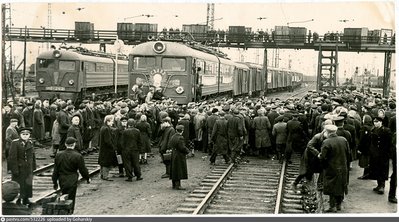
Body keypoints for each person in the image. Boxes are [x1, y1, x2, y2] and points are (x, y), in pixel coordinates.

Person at [52, 137, 90, 214]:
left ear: (66, 144)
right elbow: (83, 170)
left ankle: (63, 212)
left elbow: (55, 170)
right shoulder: (78, 156)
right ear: (74, 145)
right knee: (71, 198)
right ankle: (69, 213)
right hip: (72, 178)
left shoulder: (59, 155)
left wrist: (55, 182)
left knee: (64, 195)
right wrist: (87, 178)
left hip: (62, 178)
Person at [318, 124, 350, 213]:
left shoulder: (327, 142)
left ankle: (332, 206)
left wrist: (321, 161)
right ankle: (339, 205)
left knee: (331, 187)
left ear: (327, 132)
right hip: (343, 167)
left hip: (331, 168)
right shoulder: (343, 140)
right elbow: (348, 153)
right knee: (341, 185)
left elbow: (323, 157)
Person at [8, 127, 36, 206]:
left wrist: (33, 167)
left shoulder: (30, 143)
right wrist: (15, 170)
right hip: (19, 168)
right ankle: (18, 200)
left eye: (27, 134)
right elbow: (12, 157)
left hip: (28, 168)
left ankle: (26, 199)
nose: (25, 136)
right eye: (23, 134)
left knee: (28, 184)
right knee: (19, 184)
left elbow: (32, 156)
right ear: (20, 135)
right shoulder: (15, 143)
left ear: (29, 135)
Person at [368, 116, 392, 195]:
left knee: (383, 170)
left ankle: (382, 186)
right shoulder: (372, 130)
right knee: (376, 169)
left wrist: (387, 152)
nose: (375, 123)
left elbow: (389, 143)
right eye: (374, 122)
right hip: (375, 154)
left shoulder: (386, 130)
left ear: (381, 122)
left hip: (383, 153)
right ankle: (378, 185)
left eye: (377, 122)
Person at [169, 125, 190, 190]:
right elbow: (182, 147)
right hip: (179, 155)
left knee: (174, 169)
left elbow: (170, 144)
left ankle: (174, 184)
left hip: (174, 154)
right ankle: (178, 185)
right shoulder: (180, 138)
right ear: (182, 131)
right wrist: (187, 151)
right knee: (179, 169)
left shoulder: (173, 137)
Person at [98, 115, 118, 181]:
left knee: (102, 162)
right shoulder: (106, 129)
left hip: (103, 148)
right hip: (107, 149)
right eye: (112, 121)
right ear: (108, 121)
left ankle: (102, 175)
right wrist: (113, 146)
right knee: (106, 162)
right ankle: (105, 176)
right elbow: (107, 140)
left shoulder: (103, 127)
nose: (112, 123)